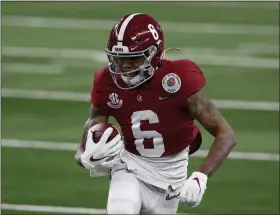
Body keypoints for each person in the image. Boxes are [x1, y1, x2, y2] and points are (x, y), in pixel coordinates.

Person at [75, 13, 236, 214]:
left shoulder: (179, 78)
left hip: (172, 175)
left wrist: (200, 176)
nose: (124, 65)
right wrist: (84, 156)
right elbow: (93, 126)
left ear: (154, 54)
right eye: (118, 58)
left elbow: (226, 135)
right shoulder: (105, 81)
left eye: (132, 58)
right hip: (130, 165)